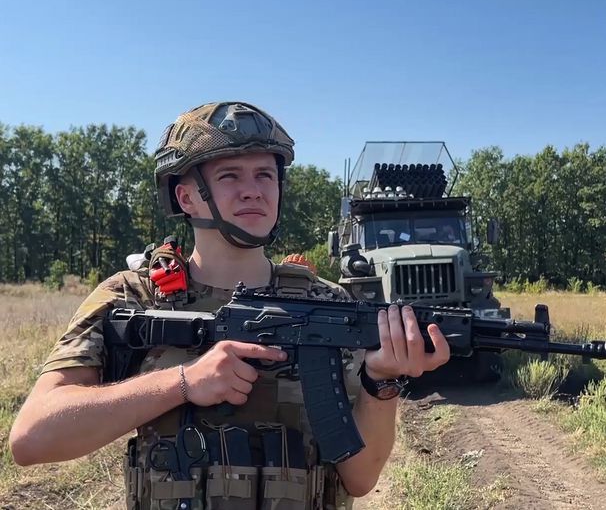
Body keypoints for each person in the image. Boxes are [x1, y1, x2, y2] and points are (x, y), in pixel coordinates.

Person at [9, 102, 451, 509]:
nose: (253, 191)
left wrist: (383, 383)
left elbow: (359, 478)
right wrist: (183, 383)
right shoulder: (134, 297)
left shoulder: (327, 302)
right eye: (229, 176)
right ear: (186, 197)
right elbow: (32, 438)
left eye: (264, 175)